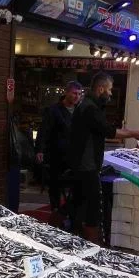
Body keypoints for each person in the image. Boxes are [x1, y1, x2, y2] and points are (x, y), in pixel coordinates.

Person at [68, 72, 139, 243]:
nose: (111, 93)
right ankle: (92, 242)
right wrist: (135, 133)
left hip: (81, 163)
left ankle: (67, 233)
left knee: (77, 200)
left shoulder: (87, 105)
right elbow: (110, 131)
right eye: (110, 89)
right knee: (92, 204)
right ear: (101, 89)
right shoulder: (90, 108)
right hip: (87, 165)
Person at [35, 81, 82, 226]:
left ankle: (70, 211)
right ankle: (55, 211)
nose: (77, 96)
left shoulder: (80, 110)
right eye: (74, 93)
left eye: (79, 94)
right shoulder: (53, 110)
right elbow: (44, 131)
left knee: (78, 183)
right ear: (66, 93)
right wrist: (40, 150)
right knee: (55, 184)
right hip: (56, 154)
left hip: (74, 155)